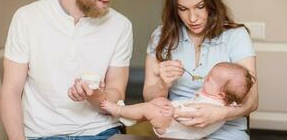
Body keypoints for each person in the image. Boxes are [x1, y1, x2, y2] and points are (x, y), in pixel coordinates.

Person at [0, 0, 133, 139]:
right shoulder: (27, 18)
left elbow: (116, 92)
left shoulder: (121, 25)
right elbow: (11, 90)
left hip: (101, 132)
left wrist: (95, 97)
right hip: (42, 135)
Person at [143, 0, 258, 140]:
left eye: (200, 6)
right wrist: (162, 85)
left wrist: (219, 114)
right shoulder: (161, 36)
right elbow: (149, 97)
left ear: (211, 2)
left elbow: (252, 101)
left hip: (226, 132)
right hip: (178, 131)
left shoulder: (236, 36)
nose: (193, 18)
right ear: (174, 8)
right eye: (183, 9)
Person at [101, 62, 254, 139]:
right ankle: (131, 118)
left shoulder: (213, 106)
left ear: (222, 95)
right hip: (174, 120)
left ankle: (118, 110)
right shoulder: (216, 97)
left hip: (176, 130)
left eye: (210, 79)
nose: (205, 77)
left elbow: (190, 116)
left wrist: (174, 110)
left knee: (151, 109)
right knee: (158, 102)